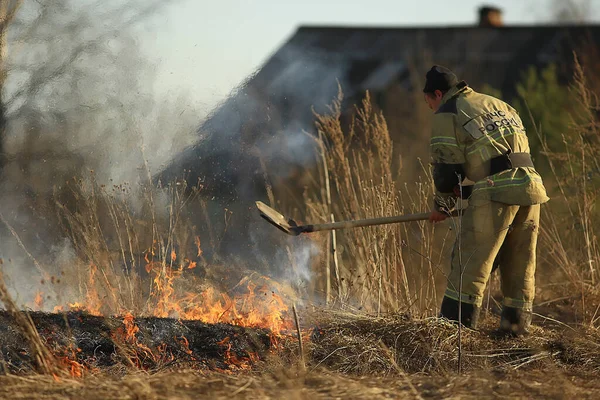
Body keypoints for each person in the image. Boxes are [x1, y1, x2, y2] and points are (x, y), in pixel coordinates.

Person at [423, 65, 550, 336]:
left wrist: (441, 206)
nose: (431, 109)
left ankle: (455, 335)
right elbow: (503, 157)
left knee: (469, 264)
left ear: (437, 94)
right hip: (530, 187)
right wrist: (468, 192)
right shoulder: (497, 104)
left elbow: (446, 169)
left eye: (429, 103)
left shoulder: (448, 110)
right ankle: (515, 334)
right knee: (520, 265)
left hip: (496, 191)